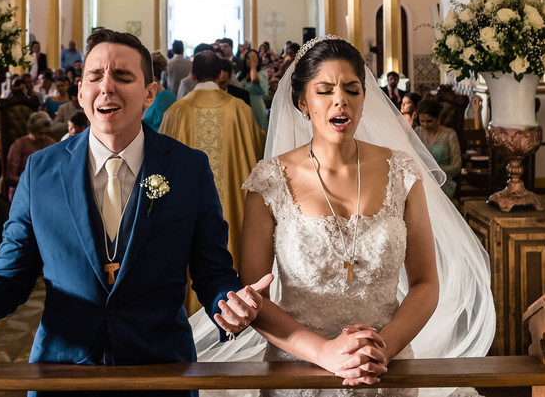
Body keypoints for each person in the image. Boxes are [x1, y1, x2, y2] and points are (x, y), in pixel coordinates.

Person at [0, 28, 271, 385]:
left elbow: (212, 273)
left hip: (160, 369)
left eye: (122, 76)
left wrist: (228, 305)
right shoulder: (41, 170)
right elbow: (11, 278)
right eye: (95, 76)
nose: (106, 86)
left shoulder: (189, 169)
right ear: (80, 91)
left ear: (150, 93)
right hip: (61, 371)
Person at [192, 36, 494, 393]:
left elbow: (426, 283)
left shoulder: (401, 171)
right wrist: (326, 352)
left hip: (385, 367)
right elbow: (256, 293)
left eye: (353, 89)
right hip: (299, 369)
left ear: (365, 99)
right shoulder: (270, 182)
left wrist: (382, 348)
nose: (341, 100)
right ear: (303, 100)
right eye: (325, 90)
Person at [159, 51, 263, 271]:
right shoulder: (240, 111)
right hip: (233, 213)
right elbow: (258, 153)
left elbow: (159, 166)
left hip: (185, 213)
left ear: (193, 76)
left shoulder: (176, 112)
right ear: (220, 75)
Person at [5, 111, 57, 201]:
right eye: (40, 133)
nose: (43, 137)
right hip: (23, 189)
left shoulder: (51, 143)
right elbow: (11, 177)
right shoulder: (19, 145)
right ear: (31, 130)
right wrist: (34, 183)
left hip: (48, 188)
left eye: (47, 133)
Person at [415, 99, 462, 199]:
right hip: (421, 178)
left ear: (438, 118)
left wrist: (437, 173)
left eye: (429, 121)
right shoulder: (417, 132)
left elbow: (457, 166)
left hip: (443, 181)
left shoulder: (449, 134)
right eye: (422, 121)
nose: (425, 125)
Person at [237, 48, 269, 131]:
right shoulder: (241, 74)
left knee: (257, 133)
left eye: (254, 58)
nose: (250, 60)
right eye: (248, 58)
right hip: (242, 105)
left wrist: (253, 65)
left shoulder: (262, 73)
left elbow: (254, 78)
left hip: (256, 105)